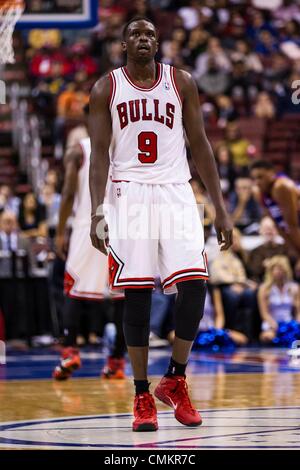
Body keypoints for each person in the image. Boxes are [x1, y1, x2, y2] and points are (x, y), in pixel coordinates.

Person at [89, 17, 232, 432]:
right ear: (123, 44)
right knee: (138, 296)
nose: (143, 39)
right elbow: (100, 155)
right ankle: (140, 393)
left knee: (195, 283)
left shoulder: (181, 81)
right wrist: (98, 211)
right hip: (128, 190)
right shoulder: (106, 88)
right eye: (135, 33)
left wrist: (220, 207)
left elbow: (201, 144)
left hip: (176, 189)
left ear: (159, 43)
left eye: (150, 33)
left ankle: (175, 378)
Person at [53, 136, 126, 381]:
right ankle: (117, 361)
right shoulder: (127, 141)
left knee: (73, 290)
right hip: (123, 225)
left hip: (89, 224)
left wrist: (61, 230)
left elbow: (67, 193)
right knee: (123, 295)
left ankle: (70, 351)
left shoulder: (78, 149)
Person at [250, 160, 300, 258]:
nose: (257, 182)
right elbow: (279, 226)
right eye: (254, 178)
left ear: (271, 173)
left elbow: (293, 226)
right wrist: (293, 250)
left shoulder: (281, 187)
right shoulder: (258, 192)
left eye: (260, 177)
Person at [258, 256, 300, 344]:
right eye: (276, 269)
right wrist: (275, 325)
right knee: (268, 337)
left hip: (289, 323)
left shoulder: (294, 287)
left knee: (294, 334)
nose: (278, 272)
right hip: (272, 323)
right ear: (270, 271)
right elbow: (264, 313)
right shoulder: (264, 289)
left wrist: (297, 323)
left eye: (281, 269)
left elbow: (298, 311)